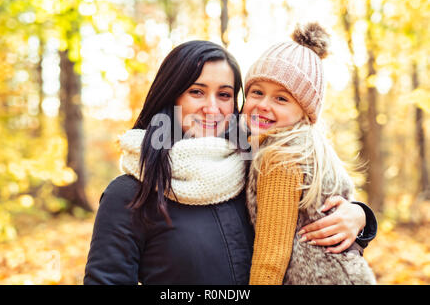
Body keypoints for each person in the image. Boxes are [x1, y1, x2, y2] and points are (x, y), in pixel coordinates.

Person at [83, 40, 377, 285]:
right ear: (170, 96)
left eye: (224, 95)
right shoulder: (130, 193)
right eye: (196, 91)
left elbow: (314, 231)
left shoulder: (256, 167)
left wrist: (360, 217)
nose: (212, 108)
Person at [243, 23, 376, 284]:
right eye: (256, 92)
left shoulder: (279, 158)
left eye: (281, 99)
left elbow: (271, 259)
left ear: (305, 110)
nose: (263, 105)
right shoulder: (312, 149)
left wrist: (361, 216)